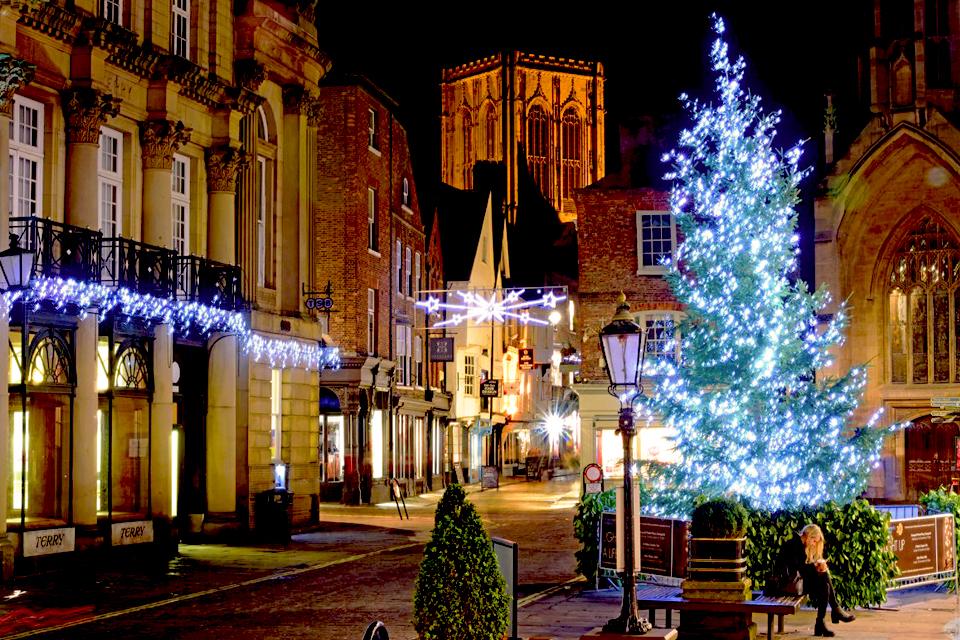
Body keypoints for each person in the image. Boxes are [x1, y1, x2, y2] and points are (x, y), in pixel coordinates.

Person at [768, 524, 855, 637]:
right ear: (808, 536)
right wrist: (816, 567)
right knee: (823, 578)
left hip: (794, 583)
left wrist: (817, 567)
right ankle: (831, 613)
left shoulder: (798, 545)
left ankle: (824, 620)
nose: (814, 544)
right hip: (785, 585)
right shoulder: (793, 545)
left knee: (825, 585)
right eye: (814, 541)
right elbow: (798, 569)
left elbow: (801, 569)